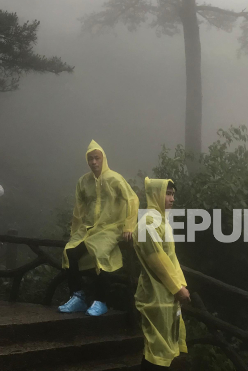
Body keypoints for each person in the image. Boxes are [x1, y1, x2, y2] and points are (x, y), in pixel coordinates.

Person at [60, 140, 139, 317]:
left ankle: (101, 300)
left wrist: (128, 226)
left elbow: (132, 200)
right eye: (90, 159)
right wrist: (75, 232)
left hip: (112, 227)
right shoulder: (84, 182)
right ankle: (78, 296)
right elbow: (79, 210)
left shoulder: (114, 179)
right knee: (70, 252)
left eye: (97, 158)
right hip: (90, 228)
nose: (94, 162)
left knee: (99, 253)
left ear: (103, 158)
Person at [134, 179, 189, 370]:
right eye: (167, 193)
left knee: (161, 348)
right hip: (156, 295)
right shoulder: (147, 224)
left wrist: (180, 284)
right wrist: (177, 288)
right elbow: (158, 261)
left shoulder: (161, 221)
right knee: (157, 350)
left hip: (165, 295)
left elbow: (171, 258)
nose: (172, 198)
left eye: (173, 194)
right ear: (155, 195)